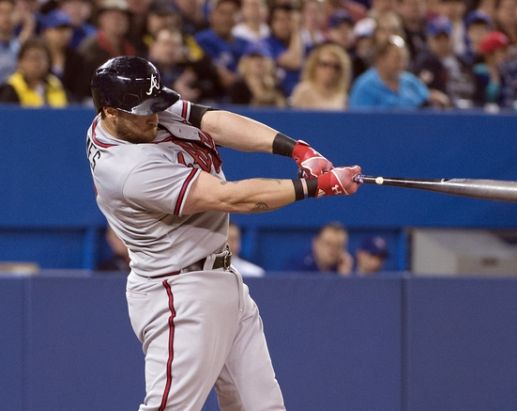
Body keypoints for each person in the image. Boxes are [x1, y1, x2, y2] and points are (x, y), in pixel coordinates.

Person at [86, 55, 361, 410]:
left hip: (219, 279)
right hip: (179, 293)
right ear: (110, 112)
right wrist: (312, 187)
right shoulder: (128, 171)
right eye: (144, 111)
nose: (154, 115)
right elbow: (231, 198)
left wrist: (297, 149)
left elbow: (210, 120)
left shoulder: (131, 112)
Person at [349, 35, 447, 109]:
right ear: (380, 59)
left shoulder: (411, 82)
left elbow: (426, 100)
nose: (402, 63)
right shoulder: (365, 86)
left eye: (404, 59)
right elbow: (359, 121)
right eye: (397, 58)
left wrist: (436, 99)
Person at [0, 38, 68, 107]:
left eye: (40, 58)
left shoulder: (56, 85)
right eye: (31, 58)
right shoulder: (10, 89)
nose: (36, 64)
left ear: (48, 62)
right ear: (20, 63)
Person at [290, 42, 351, 110]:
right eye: (324, 64)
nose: (330, 70)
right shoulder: (303, 91)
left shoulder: (342, 97)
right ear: (314, 66)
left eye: (336, 67)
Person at [228, 42, 286, 106]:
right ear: (245, 62)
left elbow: (283, 109)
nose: (258, 61)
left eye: (262, 57)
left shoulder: (276, 86)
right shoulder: (238, 87)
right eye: (253, 57)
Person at [285, 222, 353, 275]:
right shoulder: (298, 266)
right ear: (316, 243)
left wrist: (344, 277)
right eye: (328, 244)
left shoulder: (348, 267)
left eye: (338, 246)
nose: (333, 249)